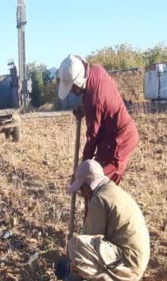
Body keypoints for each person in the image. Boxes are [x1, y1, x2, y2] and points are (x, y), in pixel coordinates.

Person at [64, 160, 150, 281]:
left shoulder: (100, 199)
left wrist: (75, 273)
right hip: (135, 261)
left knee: (76, 244)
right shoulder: (111, 190)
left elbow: (90, 239)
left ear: (88, 185)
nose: (82, 194)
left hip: (128, 265)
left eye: (81, 189)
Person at [58, 55, 140, 191]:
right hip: (107, 136)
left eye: (72, 88)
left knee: (95, 187)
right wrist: (85, 109)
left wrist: (81, 172)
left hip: (119, 141)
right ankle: (93, 210)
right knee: (91, 184)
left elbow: (92, 137)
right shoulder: (96, 69)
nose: (72, 91)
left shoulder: (93, 100)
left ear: (79, 81)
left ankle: (97, 211)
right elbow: (104, 101)